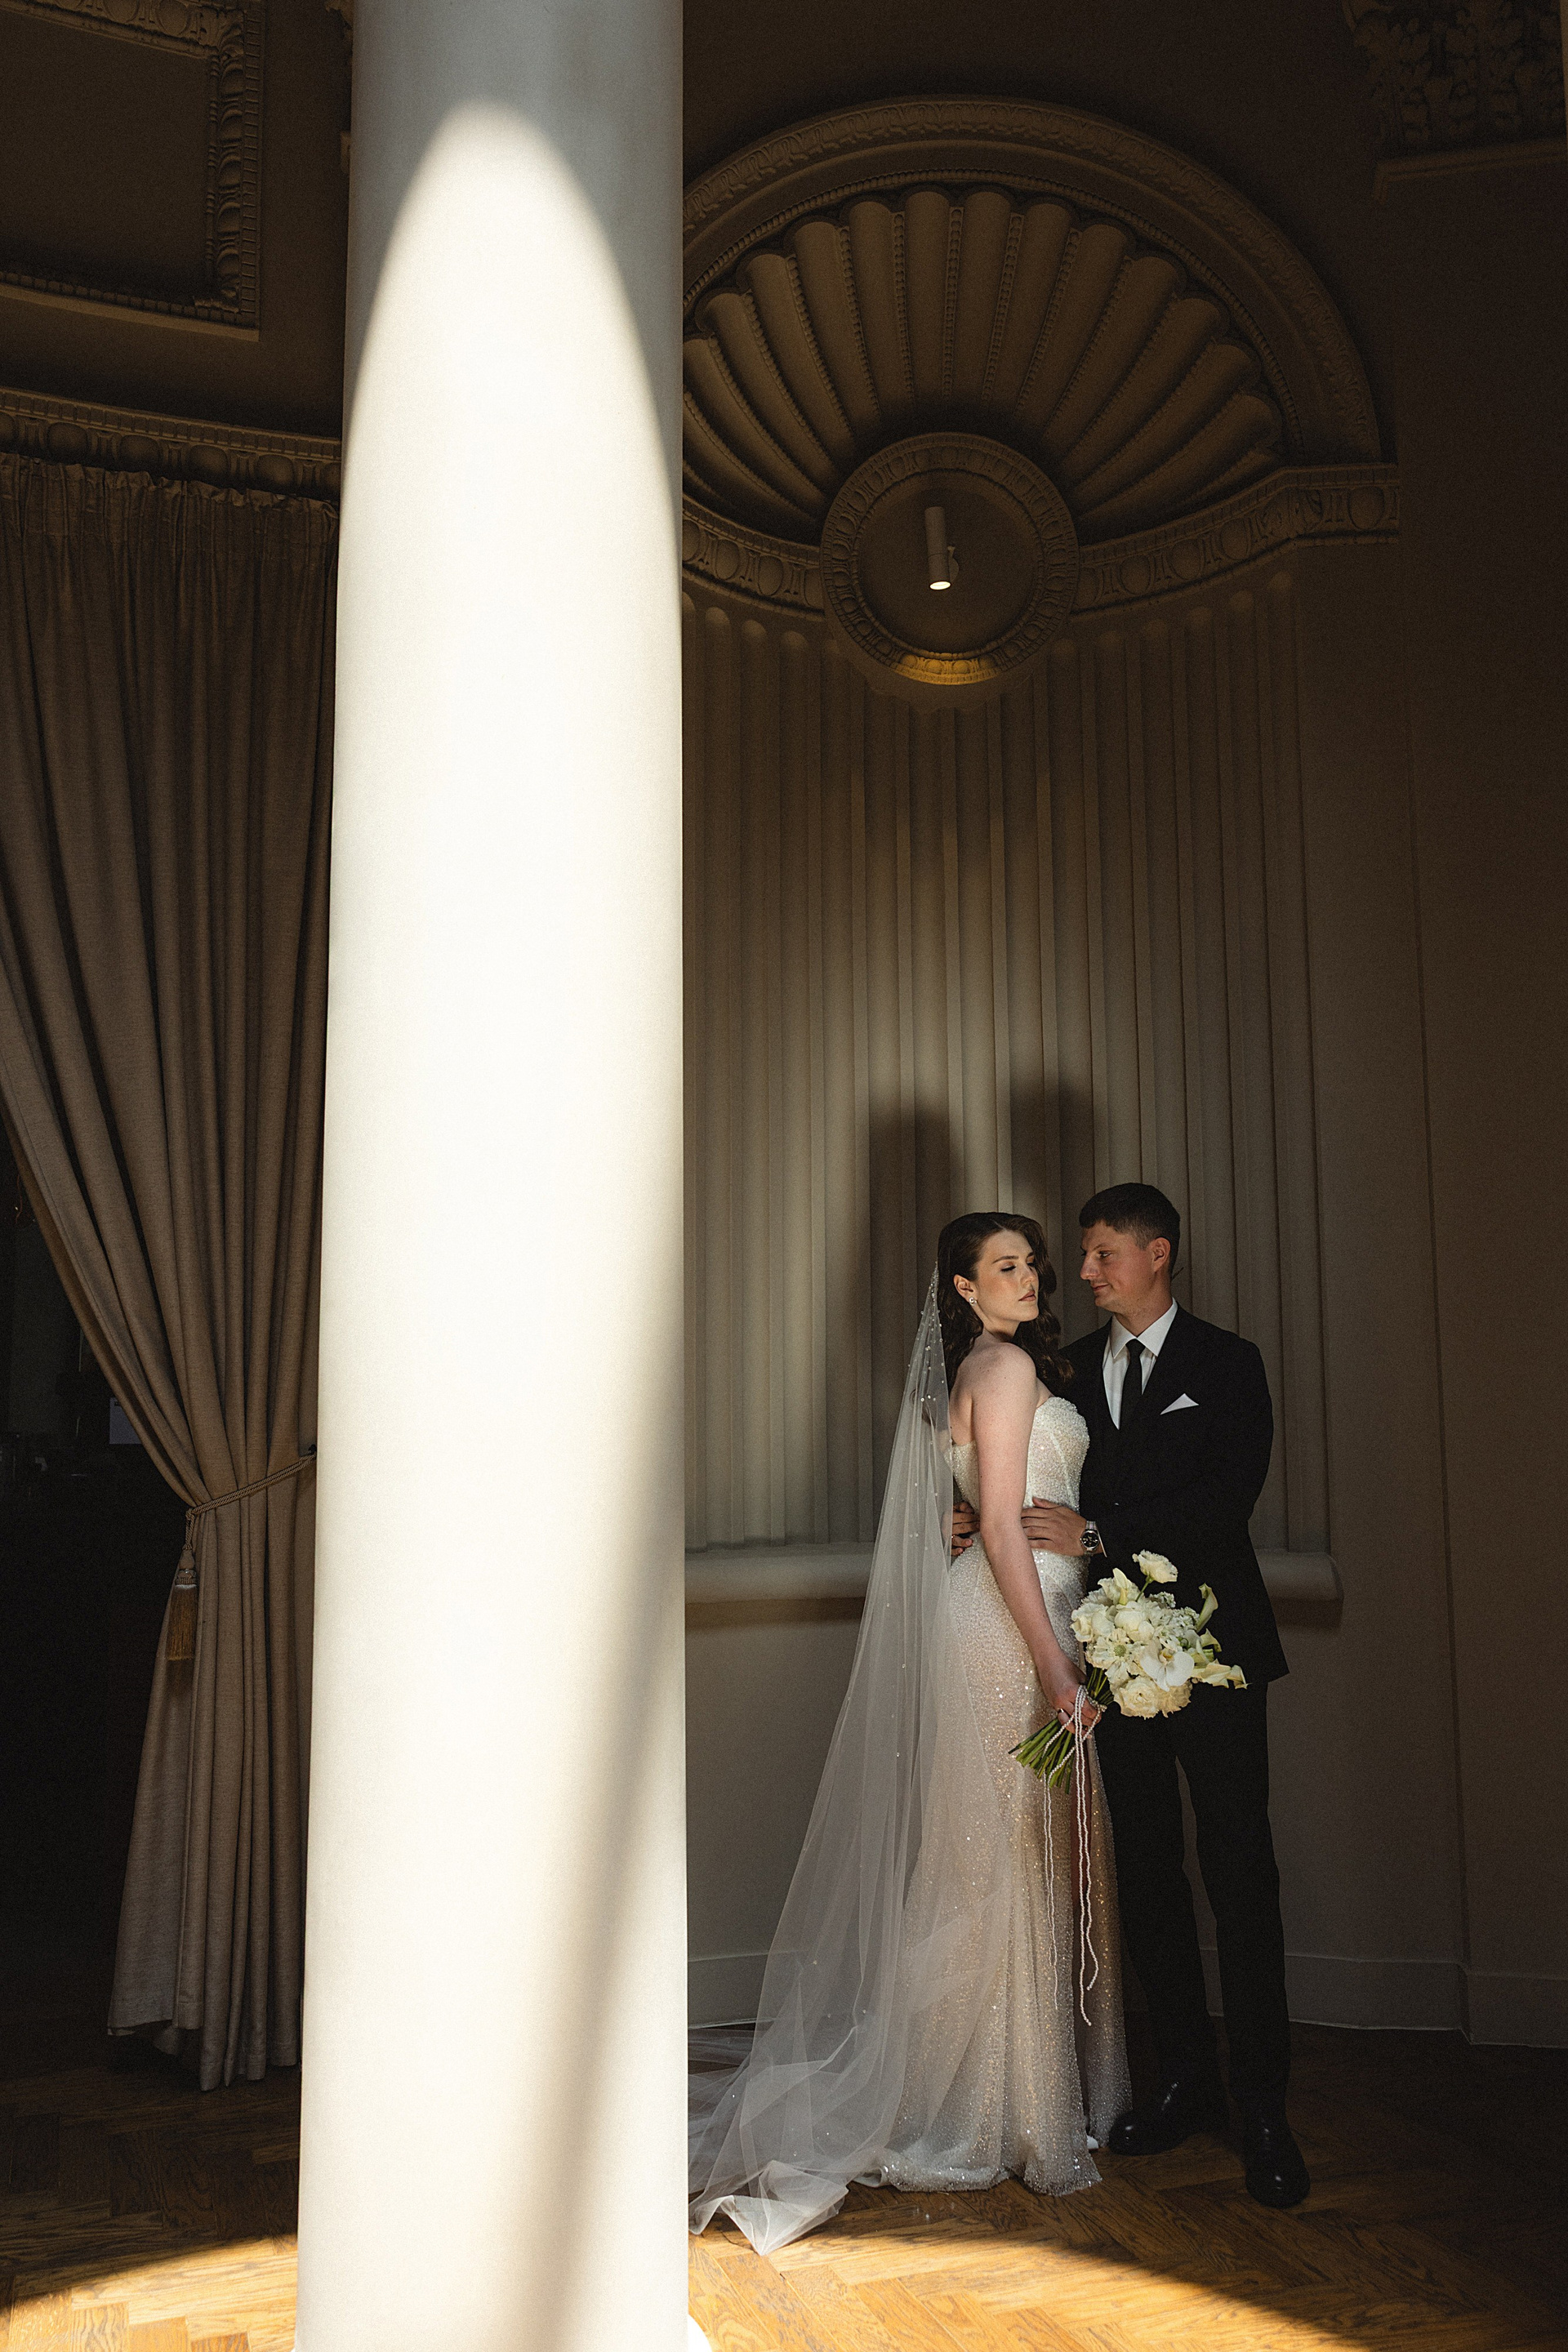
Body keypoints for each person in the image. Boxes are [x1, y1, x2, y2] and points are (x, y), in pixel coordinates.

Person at [688, 1213, 1129, 2253]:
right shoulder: (1005, 1369)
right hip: (1013, 1626)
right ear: (965, 1289)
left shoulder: (979, 1369)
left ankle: (994, 2096)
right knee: (1004, 1860)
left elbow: (966, 1510)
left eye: (1032, 1262)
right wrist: (1054, 1663)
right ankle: (988, 2111)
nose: (1032, 1276)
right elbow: (1008, 1532)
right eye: (1007, 1266)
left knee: (993, 1860)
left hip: (996, 1613)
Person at [992, 1182, 1309, 2209]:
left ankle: (1264, 2107)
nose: (1083, 1272)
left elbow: (1227, 1499)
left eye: (1101, 1254)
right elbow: (1028, 1473)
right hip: (1106, 1656)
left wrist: (1101, 1535)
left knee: (1240, 1870)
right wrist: (976, 1520)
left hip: (1215, 1654)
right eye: (1083, 1256)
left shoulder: (1228, 1363)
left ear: (1156, 1253)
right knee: (1146, 1869)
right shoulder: (1069, 1369)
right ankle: (1184, 2081)